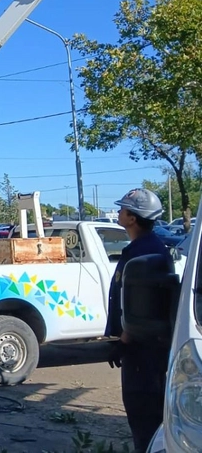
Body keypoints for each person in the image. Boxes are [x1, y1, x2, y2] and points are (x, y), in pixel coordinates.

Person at [105, 187, 169, 453]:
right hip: (143, 346)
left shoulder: (143, 255)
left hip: (142, 350)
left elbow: (141, 306)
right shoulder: (145, 248)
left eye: (122, 209)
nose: (119, 212)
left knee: (144, 416)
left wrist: (124, 340)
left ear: (132, 218)